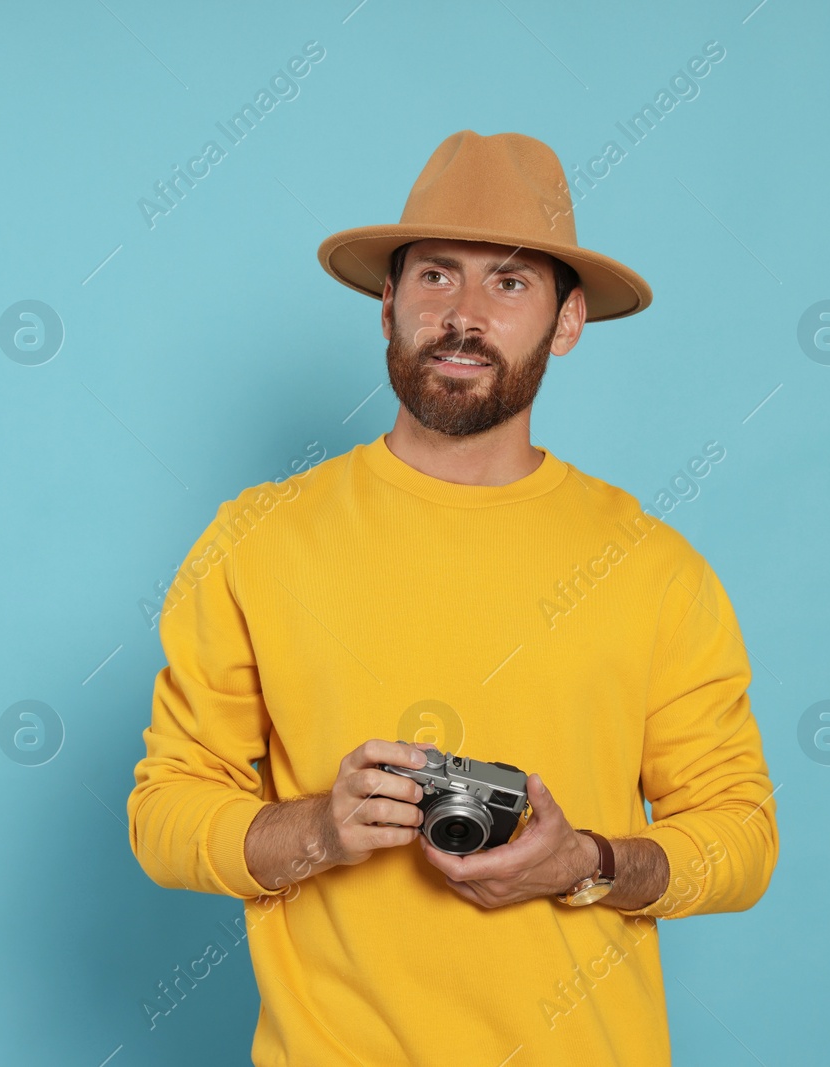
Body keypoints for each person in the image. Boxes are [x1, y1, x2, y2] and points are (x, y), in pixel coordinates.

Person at [127, 130, 777, 1065]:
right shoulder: (257, 539)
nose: (463, 314)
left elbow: (742, 833)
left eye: (510, 284)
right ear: (388, 303)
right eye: (435, 276)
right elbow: (165, 813)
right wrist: (317, 828)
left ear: (567, 321)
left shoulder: (652, 566)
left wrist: (586, 862)